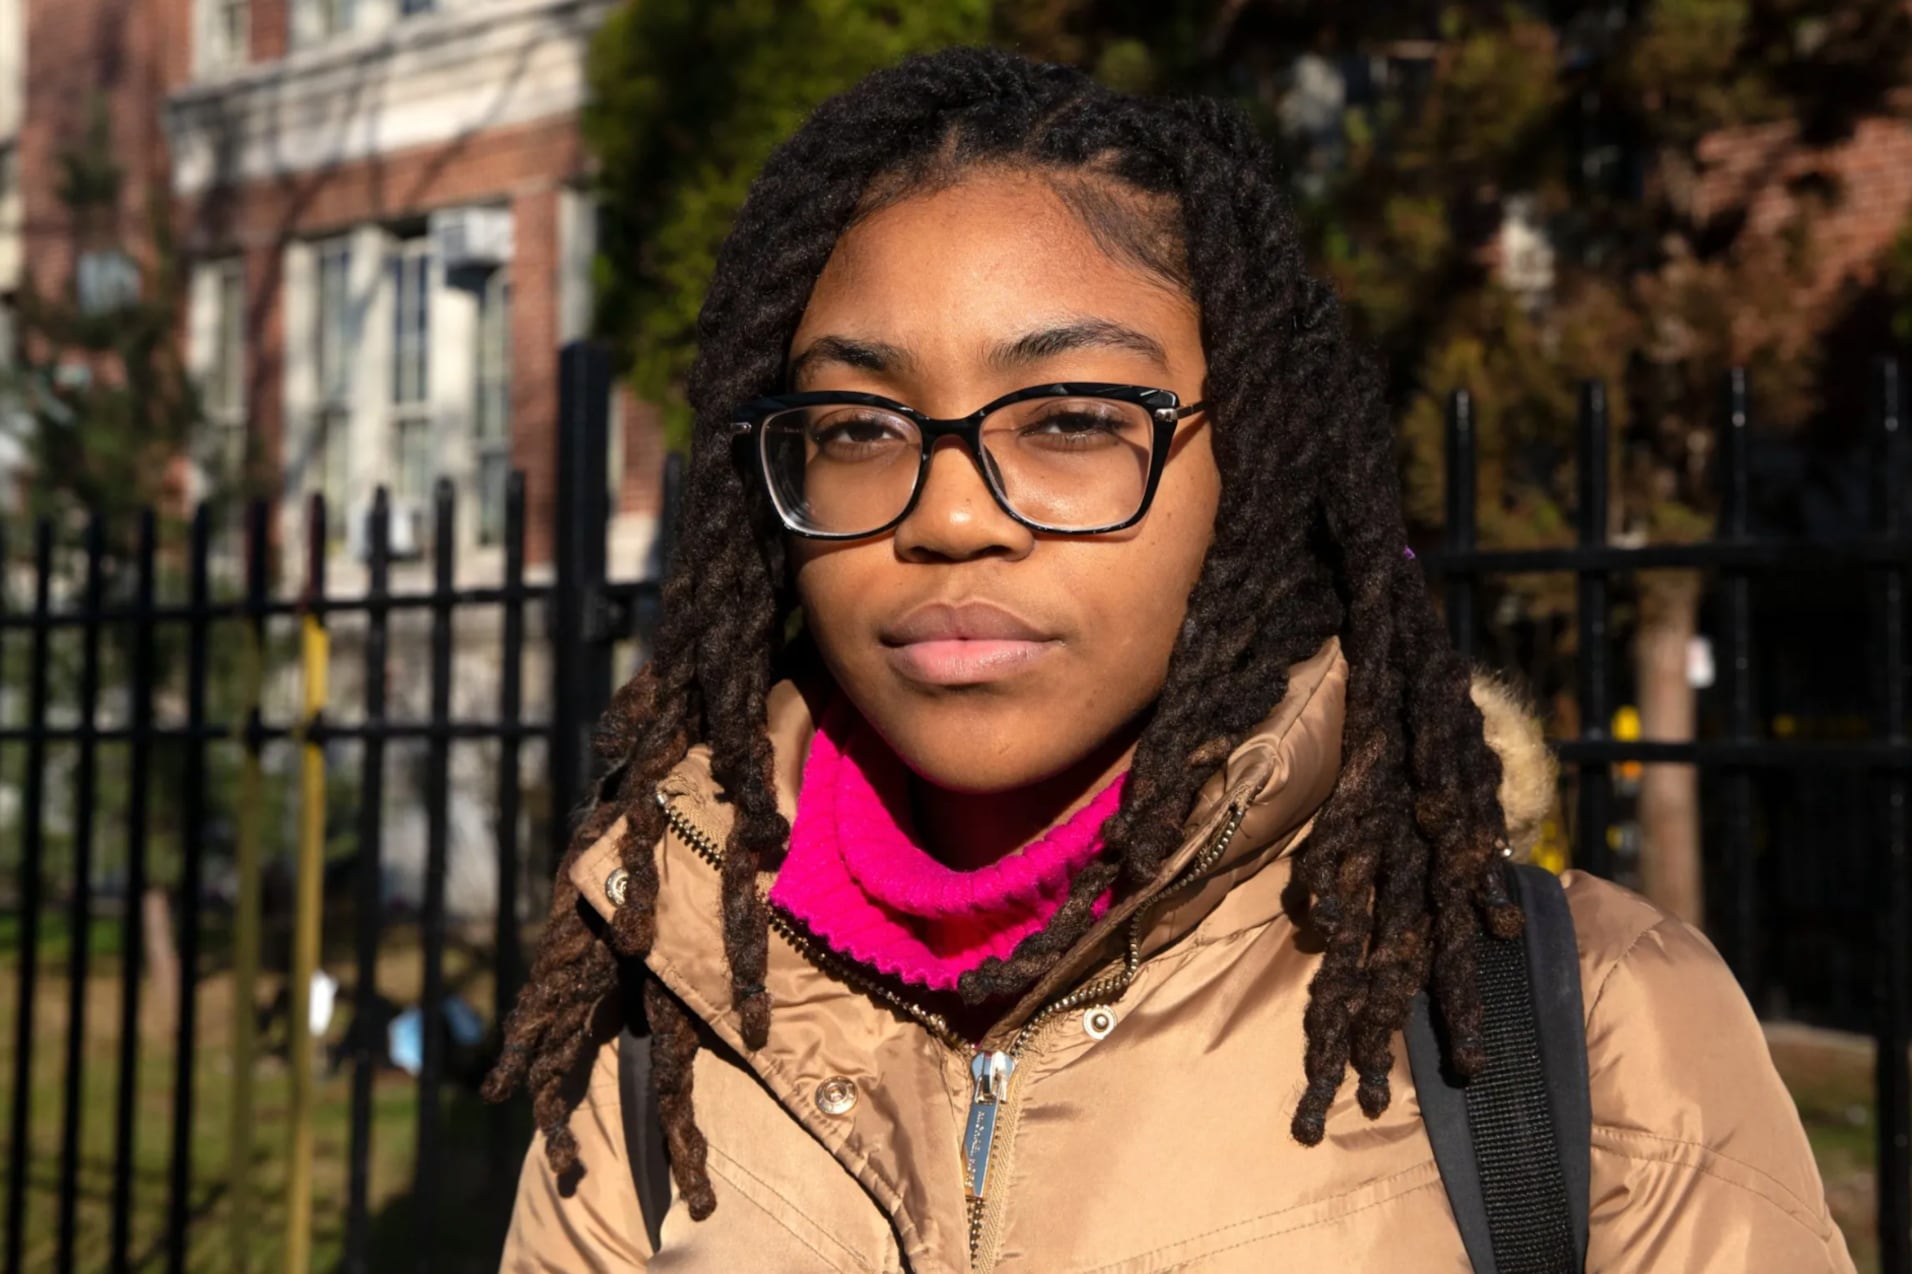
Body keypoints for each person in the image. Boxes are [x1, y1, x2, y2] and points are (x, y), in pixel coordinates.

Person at [487, 47, 1853, 1273]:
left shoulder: (1595, 1027)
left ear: (1250, 464)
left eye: (1074, 418)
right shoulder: (660, 1011)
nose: (950, 515)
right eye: (856, 427)